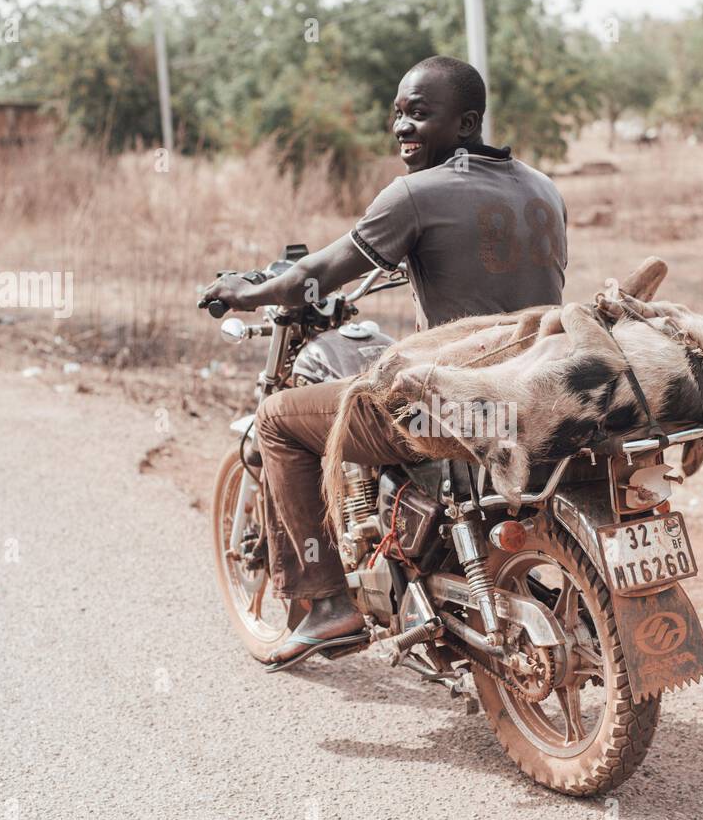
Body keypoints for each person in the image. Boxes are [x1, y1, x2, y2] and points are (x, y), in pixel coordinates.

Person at [198, 56, 568, 669]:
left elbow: (314, 276)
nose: (402, 127)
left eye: (419, 113)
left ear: (468, 120)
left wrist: (248, 291)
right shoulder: (542, 187)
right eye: (397, 114)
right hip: (532, 386)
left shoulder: (418, 194)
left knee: (280, 420)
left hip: (454, 401)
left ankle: (325, 606)